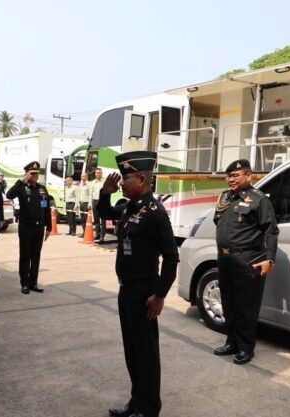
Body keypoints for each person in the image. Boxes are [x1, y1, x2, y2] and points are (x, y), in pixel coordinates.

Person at [98, 151, 179, 417]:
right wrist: (105, 193)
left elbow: (171, 257)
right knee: (132, 352)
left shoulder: (155, 214)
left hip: (144, 293)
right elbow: (106, 212)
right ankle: (136, 402)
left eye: (127, 177)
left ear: (143, 179)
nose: (122, 182)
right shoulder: (130, 207)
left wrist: (160, 295)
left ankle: (149, 409)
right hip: (126, 291)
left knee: (146, 355)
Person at [212, 159, 279, 365]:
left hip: (248, 259)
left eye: (235, 175)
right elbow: (219, 221)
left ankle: (245, 348)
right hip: (225, 258)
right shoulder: (224, 197)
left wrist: (269, 259)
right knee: (229, 303)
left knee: (246, 306)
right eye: (229, 176)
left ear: (249, 176)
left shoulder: (259, 200)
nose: (231, 179)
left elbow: (271, 231)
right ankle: (232, 342)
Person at [6, 161, 51, 294]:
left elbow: (46, 208)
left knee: (36, 256)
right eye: (32, 173)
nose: (35, 176)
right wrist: (22, 180)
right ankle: (24, 283)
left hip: (39, 227)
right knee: (25, 255)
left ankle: (33, 283)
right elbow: (9, 195)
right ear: (26, 174)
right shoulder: (21, 187)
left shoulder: (42, 189)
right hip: (26, 227)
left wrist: (49, 226)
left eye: (36, 173)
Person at [90, 167, 106, 242]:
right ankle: (97, 234)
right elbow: (91, 194)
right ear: (95, 174)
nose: (98, 174)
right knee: (96, 219)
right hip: (95, 201)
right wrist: (90, 203)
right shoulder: (92, 183)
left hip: (102, 202)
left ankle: (102, 236)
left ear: (101, 173)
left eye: (99, 173)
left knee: (103, 219)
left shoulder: (104, 182)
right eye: (97, 173)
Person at [75, 172, 92, 237]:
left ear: (87, 177)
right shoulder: (80, 184)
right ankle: (84, 232)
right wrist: (77, 204)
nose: (82, 178)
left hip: (86, 203)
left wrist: (89, 203)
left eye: (83, 176)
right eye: (81, 176)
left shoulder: (89, 184)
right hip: (81, 203)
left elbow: (90, 194)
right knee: (82, 219)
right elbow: (78, 195)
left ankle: (88, 233)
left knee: (86, 218)